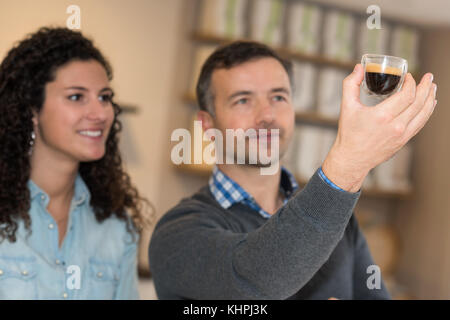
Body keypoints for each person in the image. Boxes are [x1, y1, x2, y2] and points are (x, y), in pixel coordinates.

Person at [149, 41, 437, 299]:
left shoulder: (341, 223)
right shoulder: (178, 234)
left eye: (278, 97)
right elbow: (253, 283)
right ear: (207, 125)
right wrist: (350, 162)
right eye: (243, 100)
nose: (267, 116)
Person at [0, 27, 152, 299]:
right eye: (76, 97)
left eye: (104, 97)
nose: (100, 113)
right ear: (33, 110)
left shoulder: (116, 227)